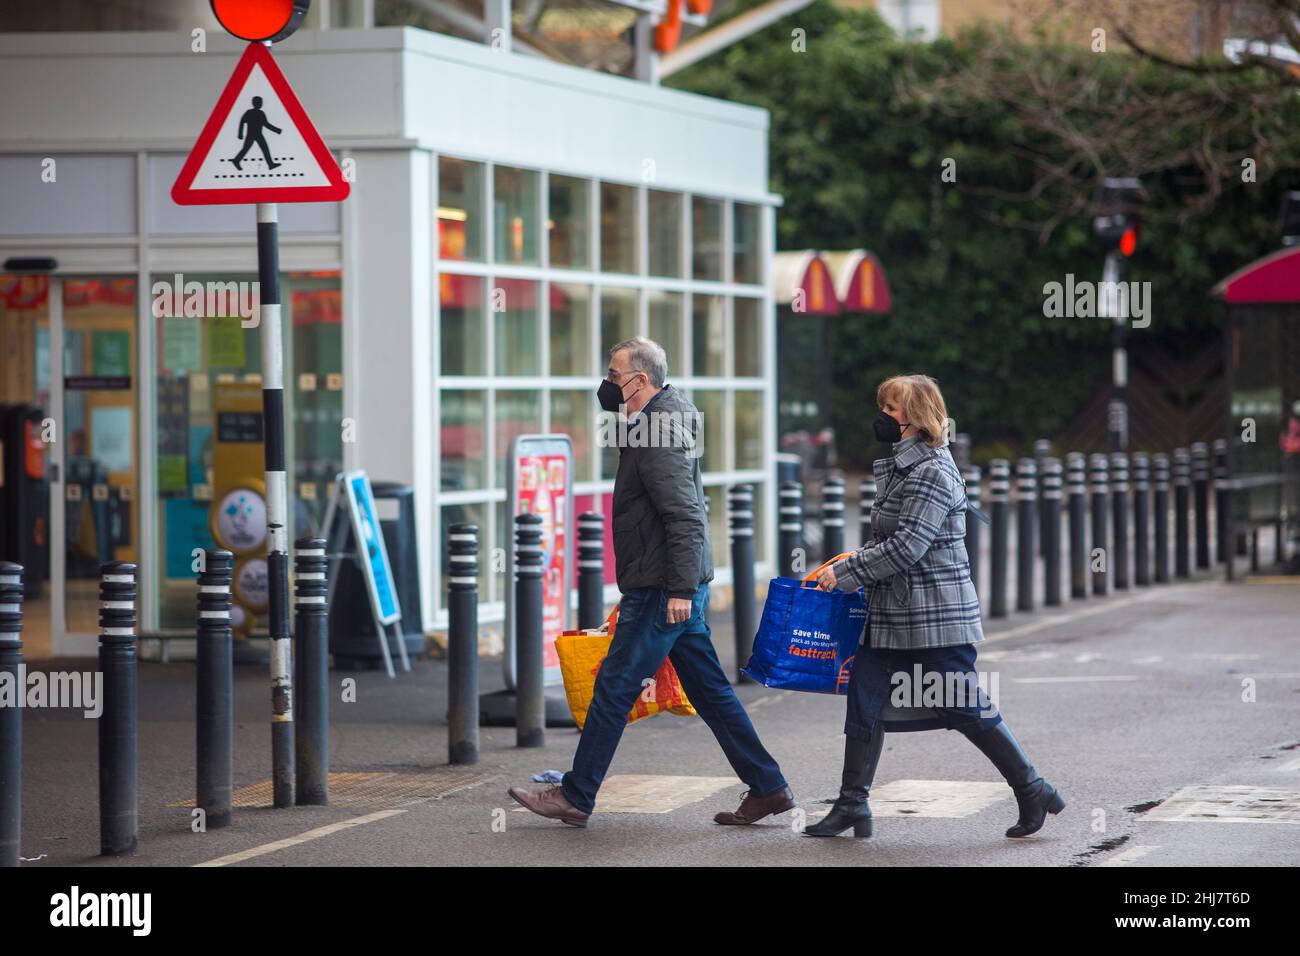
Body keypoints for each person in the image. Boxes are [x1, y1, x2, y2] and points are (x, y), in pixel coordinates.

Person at [509, 336, 793, 828]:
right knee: (710, 692)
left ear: (640, 380)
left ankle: (575, 796)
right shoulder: (653, 420)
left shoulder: (659, 429)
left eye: (615, 375)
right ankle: (768, 787)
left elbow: (685, 516)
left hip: (664, 586)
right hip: (667, 581)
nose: (607, 384)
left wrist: (680, 590)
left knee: (614, 688)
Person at [804, 374, 1065, 839]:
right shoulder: (905, 466)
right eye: (882, 406)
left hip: (932, 616)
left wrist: (847, 572)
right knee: (864, 702)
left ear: (914, 417)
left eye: (891, 409)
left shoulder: (931, 471)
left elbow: (907, 546)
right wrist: (859, 565)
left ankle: (1032, 789)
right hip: (893, 612)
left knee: (965, 708)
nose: (882, 416)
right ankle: (852, 805)